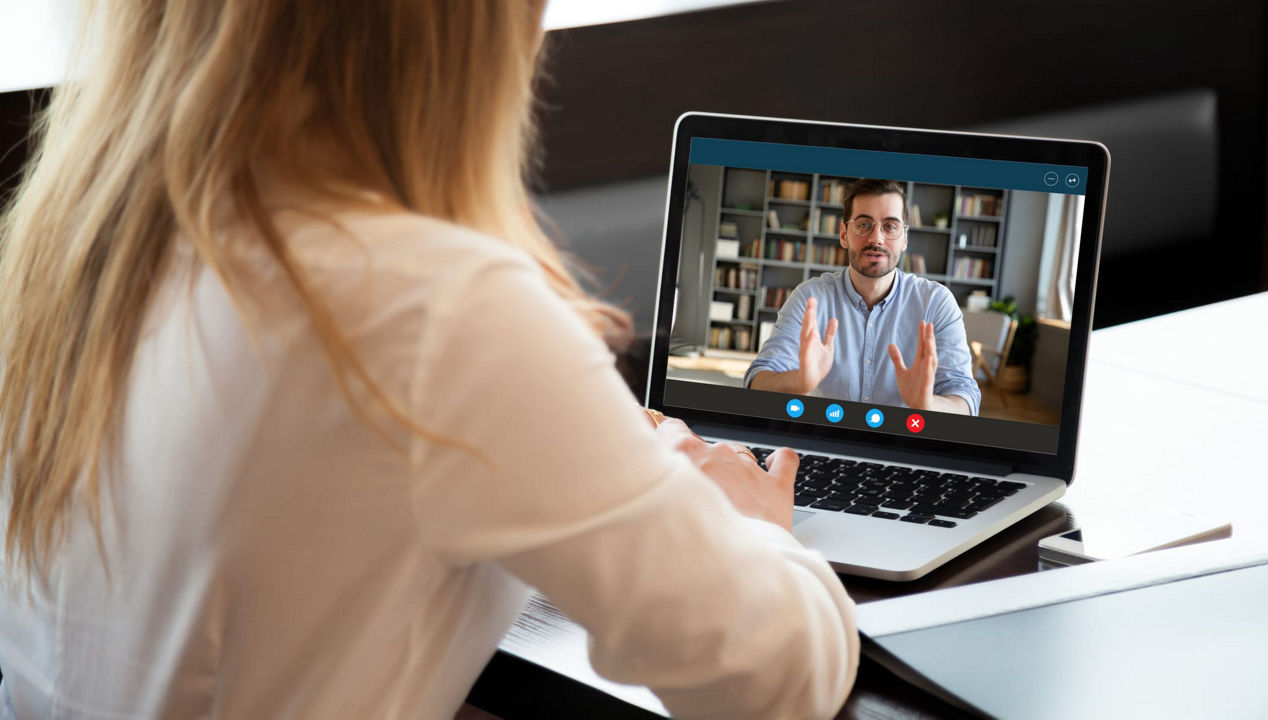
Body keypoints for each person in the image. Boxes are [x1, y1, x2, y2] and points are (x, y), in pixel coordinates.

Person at [0, 1, 858, 717]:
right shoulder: (436, 309)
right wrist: (746, 526)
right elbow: (774, 680)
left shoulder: (71, 257)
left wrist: (596, 470)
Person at [746, 179, 980, 415]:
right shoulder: (809, 298)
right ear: (843, 234)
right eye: (863, 224)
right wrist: (798, 381)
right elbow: (757, 381)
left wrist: (927, 404)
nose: (876, 238)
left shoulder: (936, 303)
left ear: (904, 238)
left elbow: (965, 401)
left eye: (890, 226)